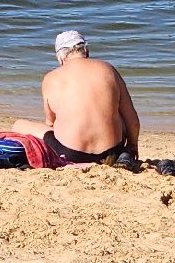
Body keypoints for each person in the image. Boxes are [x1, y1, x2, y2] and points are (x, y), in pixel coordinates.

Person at [9, 31, 141, 169]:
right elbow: (133, 121)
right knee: (118, 116)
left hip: (71, 153)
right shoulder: (109, 69)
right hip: (112, 151)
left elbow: (50, 123)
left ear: (60, 58)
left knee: (19, 125)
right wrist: (132, 146)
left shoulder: (51, 78)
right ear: (86, 50)